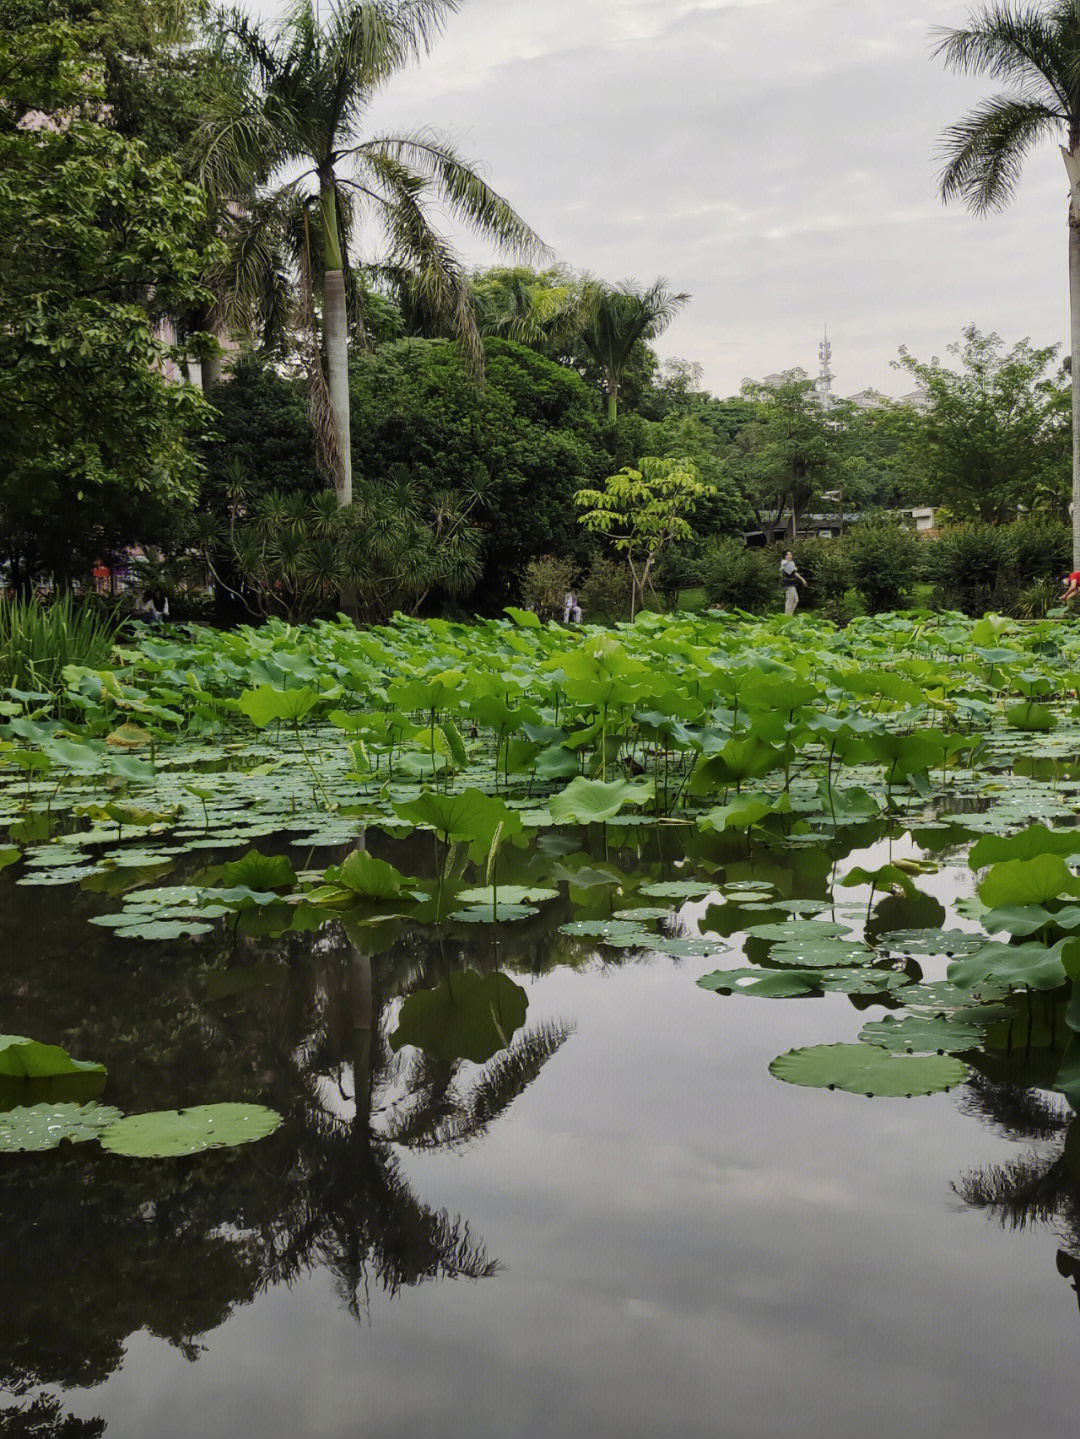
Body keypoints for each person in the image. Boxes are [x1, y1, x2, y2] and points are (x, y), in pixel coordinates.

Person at [779, 550, 806, 615]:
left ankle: (789, 615)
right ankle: (787, 617)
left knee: (795, 600)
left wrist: (802, 579)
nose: (790, 556)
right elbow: (794, 572)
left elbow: (794, 571)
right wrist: (802, 580)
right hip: (788, 584)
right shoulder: (784, 562)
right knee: (789, 601)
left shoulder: (790, 563)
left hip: (792, 584)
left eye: (790, 554)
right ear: (785, 556)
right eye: (788, 555)